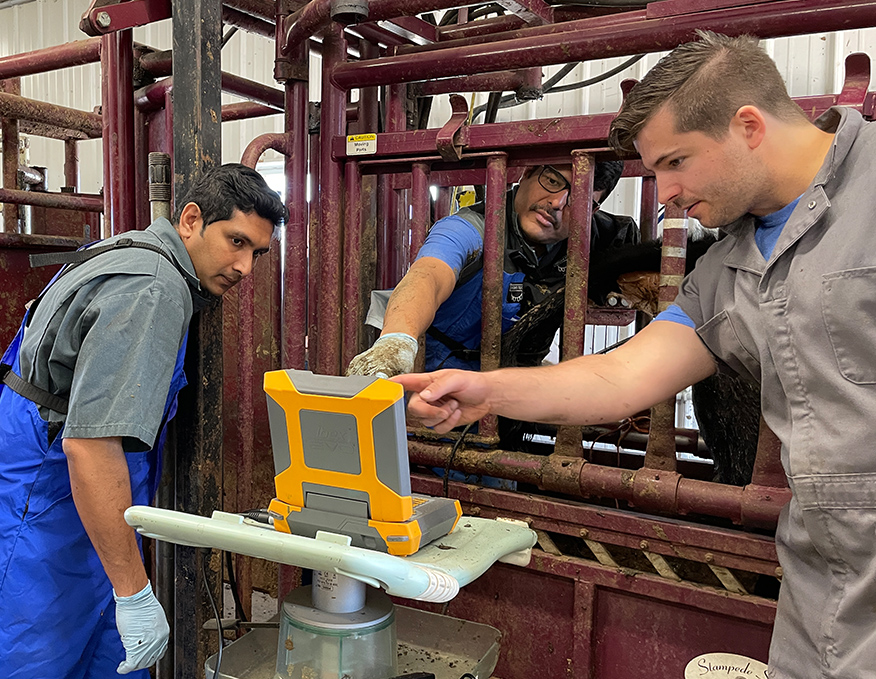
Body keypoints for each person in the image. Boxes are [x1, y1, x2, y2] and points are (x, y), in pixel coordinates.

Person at [396, 31, 876, 679]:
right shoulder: (730, 265)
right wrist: (485, 392)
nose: (667, 192)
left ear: (749, 126)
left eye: (676, 162)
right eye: (657, 172)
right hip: (819, 583)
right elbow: (624, 374)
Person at [0, 163, 287, 678]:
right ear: (191, 220)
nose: (245, 267)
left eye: (257, 253)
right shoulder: (152, 291)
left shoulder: (129, 250)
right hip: (46, 503)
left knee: (100, 658)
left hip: (64, 496)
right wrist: (134, 591)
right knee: (36, 659)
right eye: (236, 242)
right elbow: (90, 446)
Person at [346, 161, 639, 378]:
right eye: (551, 180)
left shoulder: (596, 238)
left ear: (593, 212)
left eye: (581, 200)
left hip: (512, 400)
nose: (556, 203)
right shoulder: (470, 228)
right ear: (526, 173)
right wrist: (398, 339)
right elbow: (429, 274)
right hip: (432, 396)